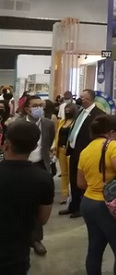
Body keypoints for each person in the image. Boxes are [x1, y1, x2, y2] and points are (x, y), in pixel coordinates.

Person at [77, 115, 116, 275]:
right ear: (110, 132)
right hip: (110, 206)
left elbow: (80, 183)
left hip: (88, 202)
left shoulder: (86, 150)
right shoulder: (112, 146)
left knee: (94, 249)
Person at [0, 121, 54, 275]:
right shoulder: (43, 179)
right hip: (17, 255)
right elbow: (42, 218)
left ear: (7, 144)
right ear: (34, 147)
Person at [15, 95, 56, 256]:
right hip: (21, 165)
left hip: (40, 165)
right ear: (27, 109)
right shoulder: (17, 125)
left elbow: (49, 140)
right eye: (35, 105)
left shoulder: (47, 124)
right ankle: (18, 236)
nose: (39, 108)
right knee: (18, 202)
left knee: (38, 203)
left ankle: (36, 239)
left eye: (41, 105)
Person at [62, 89, 105, 217]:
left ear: (90, 99)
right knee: (73, 179)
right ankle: (73, 205)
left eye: (83, 97)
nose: (80, 99)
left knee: (82, 181)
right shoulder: (80, 111)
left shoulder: (98, 114)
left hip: (86, 151)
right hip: (74, 151)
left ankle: (80, 207)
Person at [55, 103, 79, 204]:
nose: (67, 110)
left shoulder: (76, 123)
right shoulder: (61, 122)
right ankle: (64, 195)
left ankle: (72, 193)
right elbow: (57, 135)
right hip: (60, 149)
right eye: (66, 109)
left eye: (69, 108)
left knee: (72, 173)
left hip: (70, 151)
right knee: (64, 173)